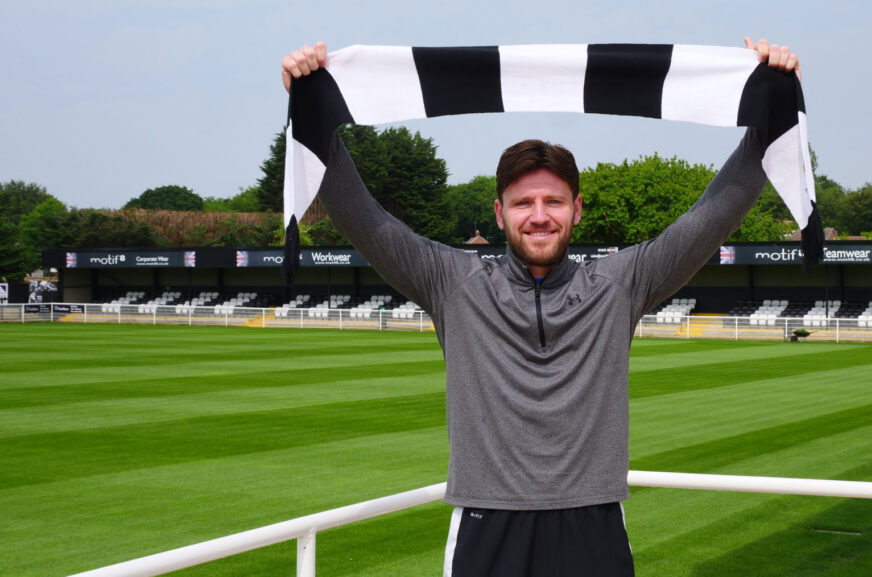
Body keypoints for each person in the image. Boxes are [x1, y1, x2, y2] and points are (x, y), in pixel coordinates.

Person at [282, 38, 800, 577]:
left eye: (553, 201)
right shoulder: (452, 282)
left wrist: (769, 107)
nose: (539, 215)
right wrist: (312, 102)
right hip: (487, 521)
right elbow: (364, 218)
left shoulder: (620, 283)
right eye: (522, 202)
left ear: (576, 210)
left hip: (592, 520)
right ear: (500, 214)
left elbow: (710, 217)